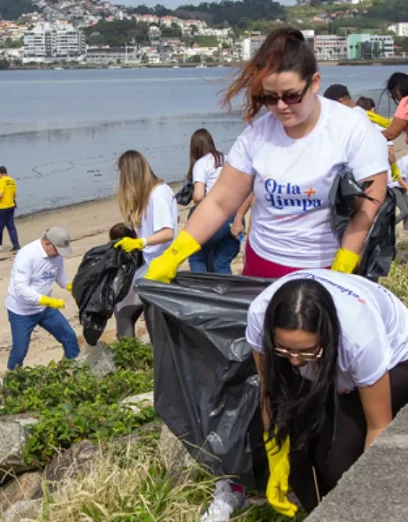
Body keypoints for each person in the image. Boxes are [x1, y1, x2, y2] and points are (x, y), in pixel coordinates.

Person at [146, 27, 389, 285]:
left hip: (325, 265)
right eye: (270, 98)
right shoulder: (257, 135)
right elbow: (219, 202)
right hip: (262, 263)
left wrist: (345, 261)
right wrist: (174, 254)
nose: (281, 106)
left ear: (315, 82)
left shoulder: (352, 128)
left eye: (292, 96)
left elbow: (369, 205)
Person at [246, 269, 408, 516]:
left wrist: (371, 500)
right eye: (284, 349)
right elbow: (270, 391)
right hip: (334, 361)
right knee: (298, 459)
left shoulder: (359, 339)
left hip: (395, 361)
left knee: (339, 463)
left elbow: (379, 426)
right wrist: (275, 454)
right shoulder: (260, 315)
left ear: (328, 334)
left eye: (307, 351)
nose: (296, 362)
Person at [112, 150, 178, 339]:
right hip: (152, 261)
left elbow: (168, 232)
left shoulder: (157, 195)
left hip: (158, 265)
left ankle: (134, 352)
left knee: (126, 310)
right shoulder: (153, 193)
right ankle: (149, 351)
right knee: (142, 313)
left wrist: (141, 242)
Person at [5, 227, 79, 370]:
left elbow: (59, 274)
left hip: (45, 310)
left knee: (69, 337)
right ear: (47, 243)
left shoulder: (56, 255)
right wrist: (47, 300)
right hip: (22, 312)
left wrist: (70, 286)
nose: (58, 254)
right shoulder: (27, 255)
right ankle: (11, 380)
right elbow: (21, 288)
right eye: (57, 250)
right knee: (20, 351)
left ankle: (76, 371)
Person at [187, 129, 242, 275]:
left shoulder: (201, 163)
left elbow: (198, 196)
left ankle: (201, 293)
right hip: (236, 217)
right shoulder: (228, 159)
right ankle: (225, 294)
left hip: (216, 218)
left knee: (195, 256)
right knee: (221, 261)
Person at [324, 86, 398, 177]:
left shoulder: (349, 118)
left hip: (361, 176)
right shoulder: (364, 115)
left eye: (329, 106)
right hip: (377, 172)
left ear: (339, 102)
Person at [381, 73, 408, 144]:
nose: (395, 98)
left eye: (394, 95)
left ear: (397, 89)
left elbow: (391, 134)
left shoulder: (406, 102)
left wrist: (368, 136)